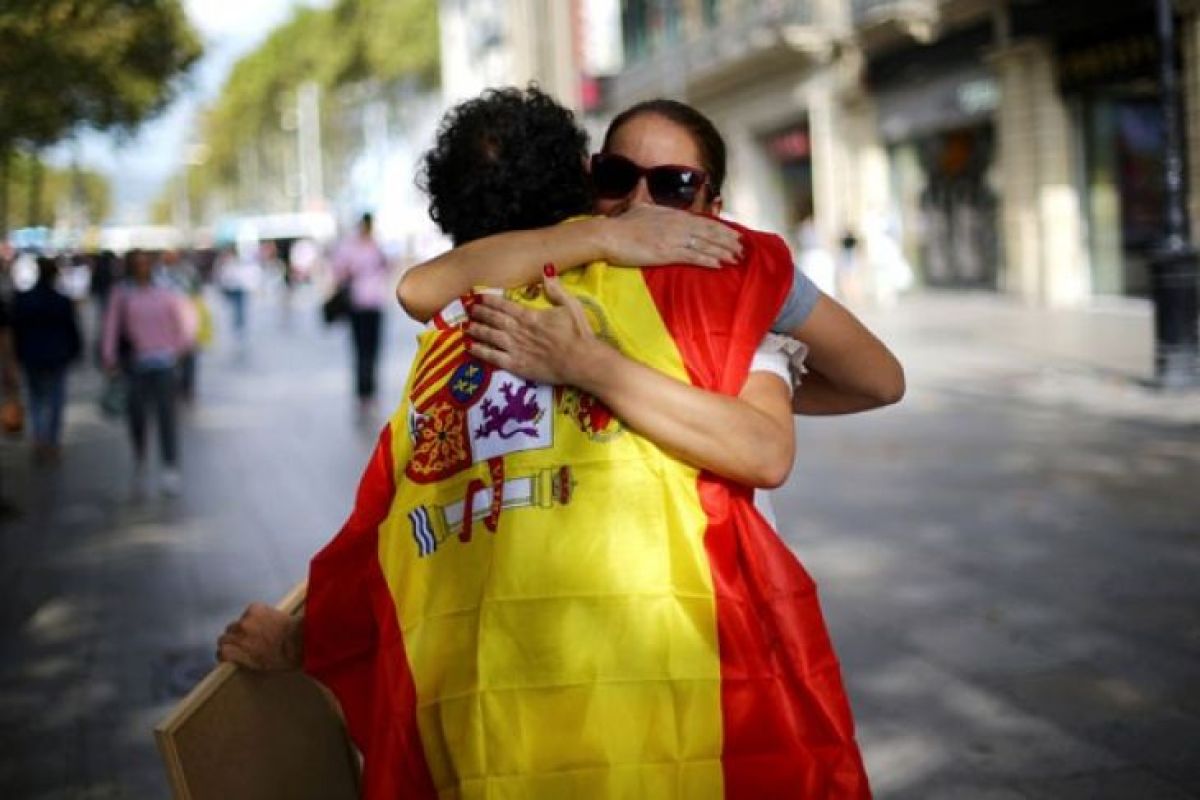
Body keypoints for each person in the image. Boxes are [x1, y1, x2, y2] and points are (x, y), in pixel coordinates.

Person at [220, 88, 886, 797]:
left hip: (504, 743)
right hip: (681, 709)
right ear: (583, 178)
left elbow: (396, 549)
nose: (642, 207)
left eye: (676, 186)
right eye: (617, 179)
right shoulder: (696, 297)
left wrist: (626, 365)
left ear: (714, 204)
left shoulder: (461, 345)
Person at [102, 249, 191, 497]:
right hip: (135, 365)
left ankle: (169, 467)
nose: (142, 268)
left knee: (166, 416)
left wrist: (179, 348)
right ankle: (140, 462)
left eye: (145, 264)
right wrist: (109, 357)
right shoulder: (122, 293)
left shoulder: (165, 290)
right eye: (137, 264)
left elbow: (183, 320)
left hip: (164, 363)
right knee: (137, 417)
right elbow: (112, 326)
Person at [10, 257, 82, 463]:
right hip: (55, 356)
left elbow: (16, 330)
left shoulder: (25, 300)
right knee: (54, 400)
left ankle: (41, 439)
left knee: (37, 399)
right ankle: (50, 441)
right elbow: (71, 330)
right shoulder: (61, 301)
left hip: (34, 356)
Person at [331, 213, 390, 418]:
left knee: (373, 350)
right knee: (360, 351)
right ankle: (363, 392)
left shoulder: (376, 245)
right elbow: (339, 271)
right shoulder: (350, 247)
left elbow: (387, 268)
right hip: (357, 305)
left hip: (375, 303)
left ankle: (370, 390)